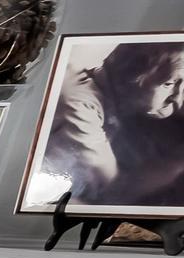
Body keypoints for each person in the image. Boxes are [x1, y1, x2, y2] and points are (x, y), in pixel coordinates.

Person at [42, 40, 184, 207]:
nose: (177, 98)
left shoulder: (108, 102)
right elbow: (115, 191)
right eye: (169, 84)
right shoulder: (80, 106)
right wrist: (178, 161)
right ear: (129, 74)